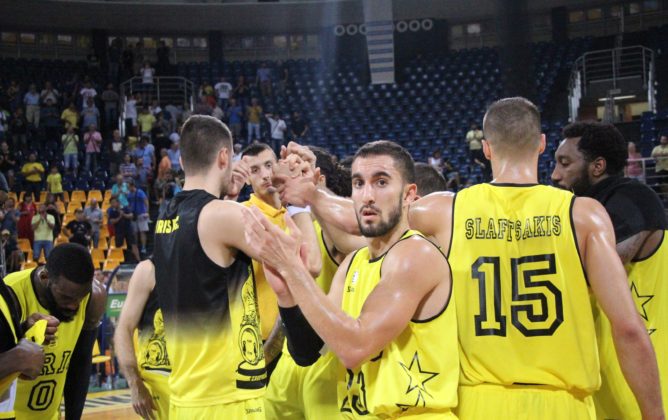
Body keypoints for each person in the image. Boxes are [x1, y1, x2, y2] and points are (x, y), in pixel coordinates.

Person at [278, 97, 664, 419]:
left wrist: (312, 194)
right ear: (542, 145)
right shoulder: (584, 216)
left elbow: (371, 215)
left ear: (487, 148)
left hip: (478, 402)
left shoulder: (448, 210)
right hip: (564, 402)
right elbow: (629, 330)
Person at [244, 140, 458, 418]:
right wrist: (286, 294)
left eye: (381, 182)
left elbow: (355, 347)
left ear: (408, 195)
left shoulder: (416, 254)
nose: (367, 195)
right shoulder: (353, 263)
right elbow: (309, 351)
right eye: (359, 183)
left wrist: (292, 269)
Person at [152, 115, 273, 418]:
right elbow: (300, 260)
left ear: (182, 161)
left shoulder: (165, 216)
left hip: (186, 395)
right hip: (227, 397)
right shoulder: (223, 215)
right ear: (223, 157)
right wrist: (293, 201)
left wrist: (228, 197)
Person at [551, 121, 668, 420]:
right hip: (601, 380)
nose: (555, 175)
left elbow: (590, 271)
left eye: (565, 163)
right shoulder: (581, 209)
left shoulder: (633, 198)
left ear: (597, 166)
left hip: (643, 388)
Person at [240, 142, 321, 377]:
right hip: (263, 340)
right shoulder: (245, 215)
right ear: (247, 178)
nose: (265, 175)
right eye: (255, 170)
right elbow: (310, 267)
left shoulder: (296, 213)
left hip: (300, 334)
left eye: (269, 165)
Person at [4, 243, 106, 420]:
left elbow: (80, 362)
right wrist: (23, 331)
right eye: (66, 297)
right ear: (45, 277)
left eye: (80, 298)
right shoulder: (11, 292)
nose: (73, 305)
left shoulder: (93, 297)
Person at [115, 259, 171, 420]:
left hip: (200, 388)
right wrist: (135, 383)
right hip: (158, 391)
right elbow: (123, 329)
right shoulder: (148, 270)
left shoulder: (211, 265)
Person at [107, 197, 141, 263]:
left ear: (118, 202)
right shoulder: (112, 211)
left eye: (114, 202)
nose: (113, 204)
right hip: (119, 231)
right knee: (118, 246)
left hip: (128, 229)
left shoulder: (125, 208)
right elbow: (112, 221)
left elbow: (131, 216)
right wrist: (119, 216)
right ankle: (119, 261)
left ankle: (138, 260)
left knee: (133, 244)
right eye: (111, 203)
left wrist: (124, 215)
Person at [127, 180, 150, 255]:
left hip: (142, 214)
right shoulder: (129, 194)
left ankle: (143, 247)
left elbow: (146, 201)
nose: (128, 188)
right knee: (135, 232)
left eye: (128, 187)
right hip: (133, 215)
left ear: (132, 186)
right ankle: (136, 247)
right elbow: (129, 204)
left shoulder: (140, 192)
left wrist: (147, 212)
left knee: (142, 231)